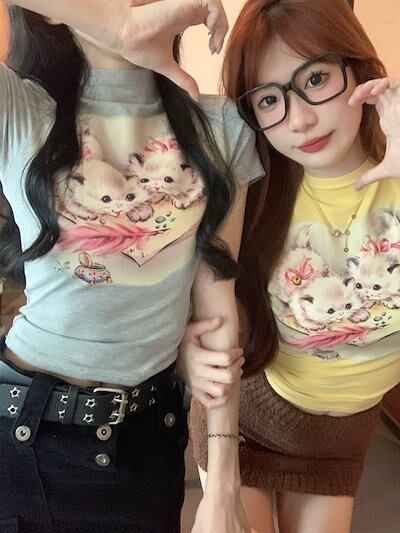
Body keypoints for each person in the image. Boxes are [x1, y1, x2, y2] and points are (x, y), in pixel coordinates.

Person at [0, 1, 264, 531]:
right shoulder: (21, 110)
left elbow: (217, 306)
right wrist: (120, 28)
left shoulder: (220, 127)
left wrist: (222, 486)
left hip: (148, 441)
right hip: (23, 437)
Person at [180, 0, 400, 532]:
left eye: (316, 79)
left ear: (360, 71)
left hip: (340, 442)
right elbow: (204, 304)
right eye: (268, 99)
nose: (299, 119)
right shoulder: (251, 194)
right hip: (246, 419)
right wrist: (184, 347)